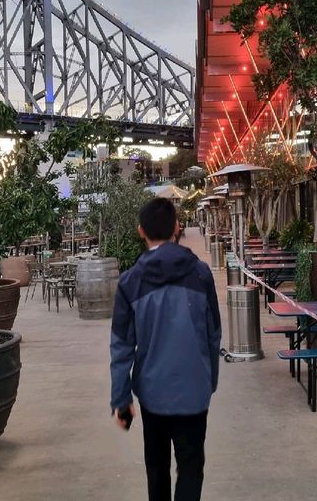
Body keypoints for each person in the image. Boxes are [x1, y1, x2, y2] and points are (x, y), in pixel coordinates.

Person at [110, 197, 222, 501]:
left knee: (156, 466)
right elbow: (213, 333)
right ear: (176, 227)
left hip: (153, 394)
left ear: (140, 231)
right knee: (190, 467)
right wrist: (208, 380)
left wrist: (122, 399)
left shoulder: (129, 282)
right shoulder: (200, 274)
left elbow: (121, 346)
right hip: (194, 391)